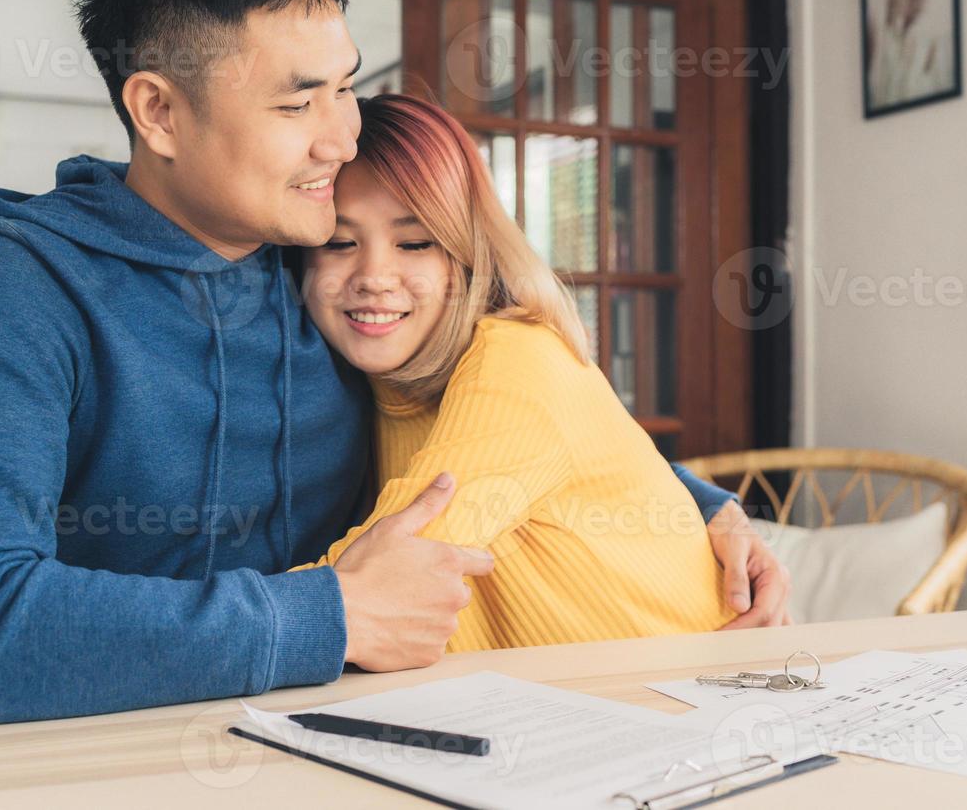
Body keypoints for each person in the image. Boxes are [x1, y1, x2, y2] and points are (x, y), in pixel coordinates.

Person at [0, 0, 788, 730]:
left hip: (334, 741)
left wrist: (703, 510)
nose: (344, 135)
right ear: (159, 113)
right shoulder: (17, 287)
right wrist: (331, 612)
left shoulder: (325, 267)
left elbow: (508, 392)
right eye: (300, 101)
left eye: (345, 84)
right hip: (101, 758)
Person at [291, 94, 744, 647]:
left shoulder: (518, 357)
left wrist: (171, 640)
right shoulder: (364, 383)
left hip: (696, 696)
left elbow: (377, 585)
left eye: (414, 242)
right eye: (340, 243)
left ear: (466, 256)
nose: (375, 276)